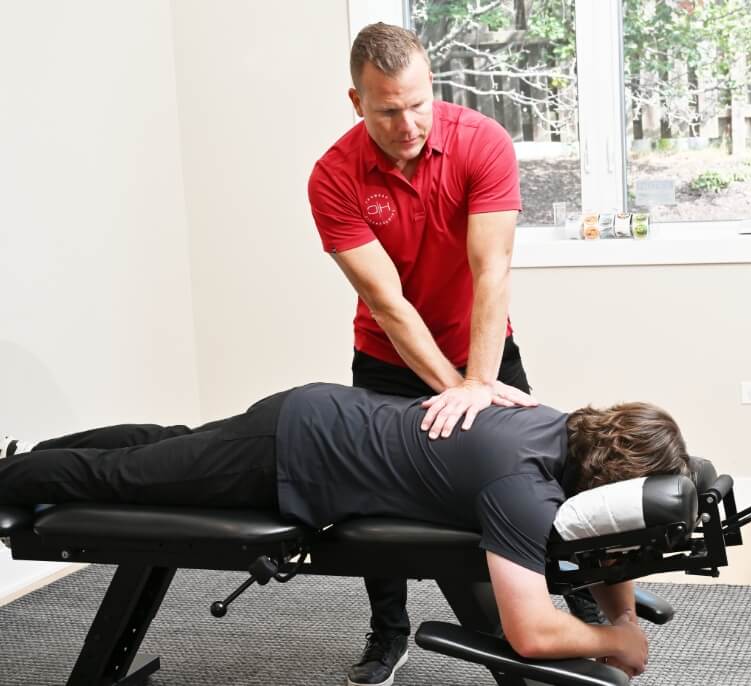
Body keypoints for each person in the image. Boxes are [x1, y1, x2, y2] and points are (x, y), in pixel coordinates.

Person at [0, 382, 690, 679]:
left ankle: (32, 458)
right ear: (604, 484)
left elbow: (598, 535)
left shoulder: (562, 425)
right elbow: (532, 633)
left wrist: (620, 606)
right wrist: (614, 639)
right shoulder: (522, 489)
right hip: (288, 456)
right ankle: (14, 478)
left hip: (315, 415)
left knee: (160, 448)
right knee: (127, 480)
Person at [307, 22, 581, 683]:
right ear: (356, 102)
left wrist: (477, 384)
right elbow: (389, 303)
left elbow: (493, 271)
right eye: (388, 110)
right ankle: (389, 631)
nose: (408, 123)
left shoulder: (480, 142)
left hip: (484, 349)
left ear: (434, 86)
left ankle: (568, 601)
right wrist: (453, 388)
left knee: (531, 474)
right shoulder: (334, 176)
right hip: (385, 356)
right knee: (372, 499)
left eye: (418, 103)